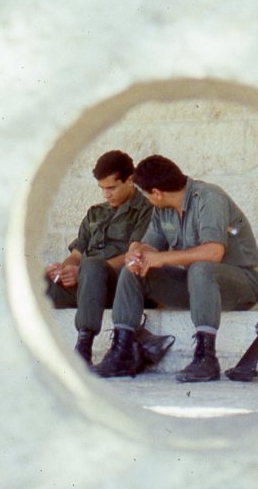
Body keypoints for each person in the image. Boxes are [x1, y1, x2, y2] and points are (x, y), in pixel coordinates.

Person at [94, 155, 258, 382]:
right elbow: (150, 244)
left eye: (146, 194)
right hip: (197, 288)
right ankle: (122, 353)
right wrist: (136, 252)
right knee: (132, 272)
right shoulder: (162, 208)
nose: (147, 198)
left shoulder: (209, 197)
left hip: (239, 283)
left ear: (157, 193)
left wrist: (161, 258)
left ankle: (206, 358)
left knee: (201, 268)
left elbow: (214, 253)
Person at [46, 150, 170, 366]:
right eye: (102, 188)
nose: (106, 194)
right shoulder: (95, 213)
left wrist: (84, 271)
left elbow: (136, 254)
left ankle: (84, 347)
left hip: (119, 286)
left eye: (111, 188)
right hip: (87, 283)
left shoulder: (146, 210)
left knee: (93, 266)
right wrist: (63, 270)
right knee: (36, 281)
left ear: (130, 181)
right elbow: (76, 255)